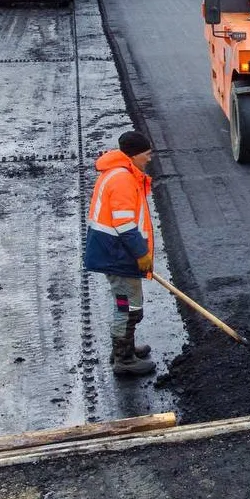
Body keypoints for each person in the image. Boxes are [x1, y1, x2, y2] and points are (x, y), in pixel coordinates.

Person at [83, 132, 157, 377]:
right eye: (147, 154)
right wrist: (142, 254)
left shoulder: (118, 172)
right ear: (134, 155)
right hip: (117, 254)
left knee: (126, 305)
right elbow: (124, 224)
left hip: (113, 252)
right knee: (129, 308)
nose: (149, 159)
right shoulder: (122, 179)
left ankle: (124, 348)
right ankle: (124, 360)